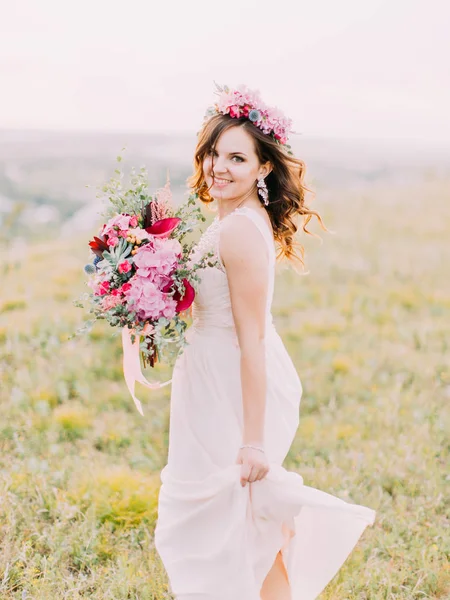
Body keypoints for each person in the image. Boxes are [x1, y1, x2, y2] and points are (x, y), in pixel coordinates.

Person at [154, 84, 376, 600]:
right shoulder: (231, 219)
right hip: (212, 373)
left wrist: (252, 441)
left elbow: (250, 338)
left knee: (235, 515)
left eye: (236, 157)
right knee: (242, 519)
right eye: (213, 152)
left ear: (263, 168)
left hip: (233, 379)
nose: (218, 166)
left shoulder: (237, 232)